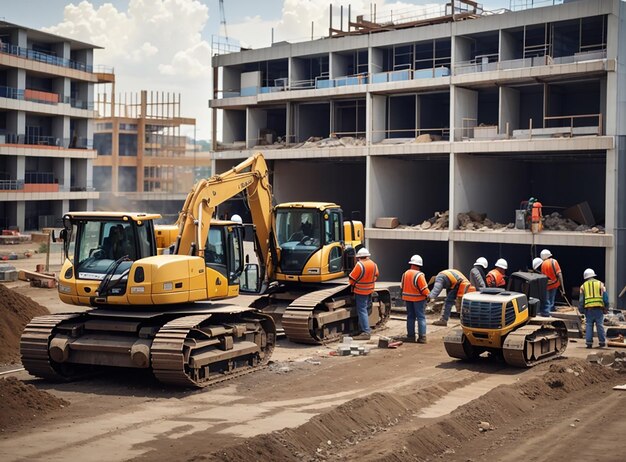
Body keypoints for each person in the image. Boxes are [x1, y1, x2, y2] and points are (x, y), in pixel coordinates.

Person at [348, 247, 379, 340]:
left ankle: (366, 331)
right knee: (365, 309)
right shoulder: (373, 264)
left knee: (362, 311)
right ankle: (362, 329)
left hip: (360, 291)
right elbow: (376, 275)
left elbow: (352, 279)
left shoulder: (359, 265)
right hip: (369, 290)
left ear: (359, 257)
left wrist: (354, 285)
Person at [401, 254, 430, 343]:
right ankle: (422, 337)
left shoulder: (405, 273)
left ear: (411, 264)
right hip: (418, 299)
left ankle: (410, 336)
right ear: (420, 265)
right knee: (421, 317)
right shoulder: (419, 275)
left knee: (410, 317)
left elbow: (402, 286)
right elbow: (423, 288)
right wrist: (429, 296)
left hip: (407, 298)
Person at [578, 268, 608, 349]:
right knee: (600, 325)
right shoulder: (600, 284)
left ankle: (589, 343)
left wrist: (581, 309)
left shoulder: (583, 286)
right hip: (599, 309)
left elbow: (581, 300)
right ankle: (602, 342)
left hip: (589, 310)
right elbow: (605, 297)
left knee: (589, 325)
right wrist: (606, 307)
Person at [539, 249, 564, 315]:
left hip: (547, 285)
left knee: (547, 301)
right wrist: (563, 289)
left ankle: (547, 312)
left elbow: (543, 276)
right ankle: (550, 312)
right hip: (555, 284)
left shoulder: (543, 264)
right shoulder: (554, 261)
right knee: (551, 300)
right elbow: (559, 274)